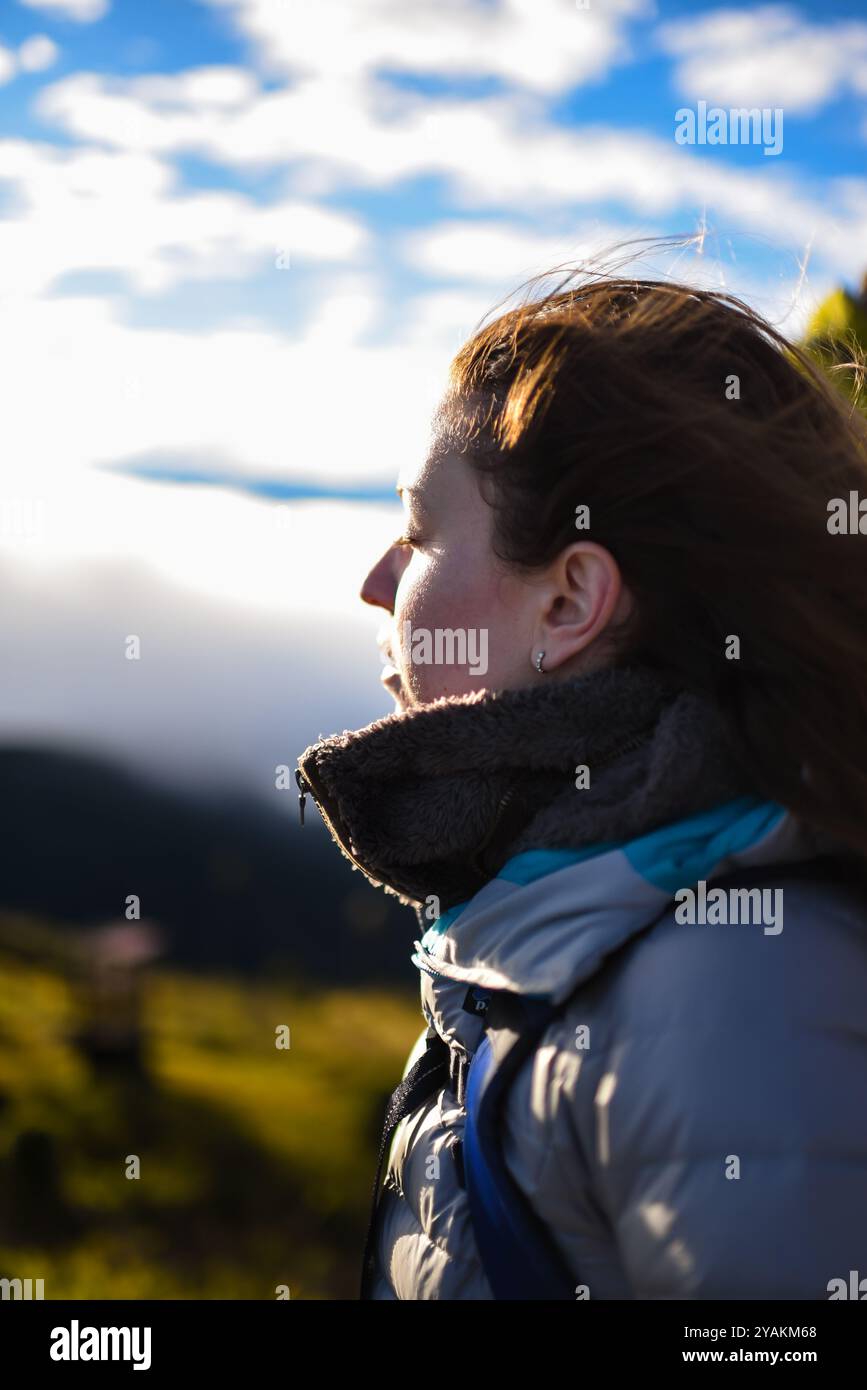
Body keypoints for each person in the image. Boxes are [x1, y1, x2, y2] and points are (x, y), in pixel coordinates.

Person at [296, 258, 867, 1300]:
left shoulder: (735, 996)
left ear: (570, 604)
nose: (376, 581)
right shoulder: (572, 929)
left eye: (421, 532)